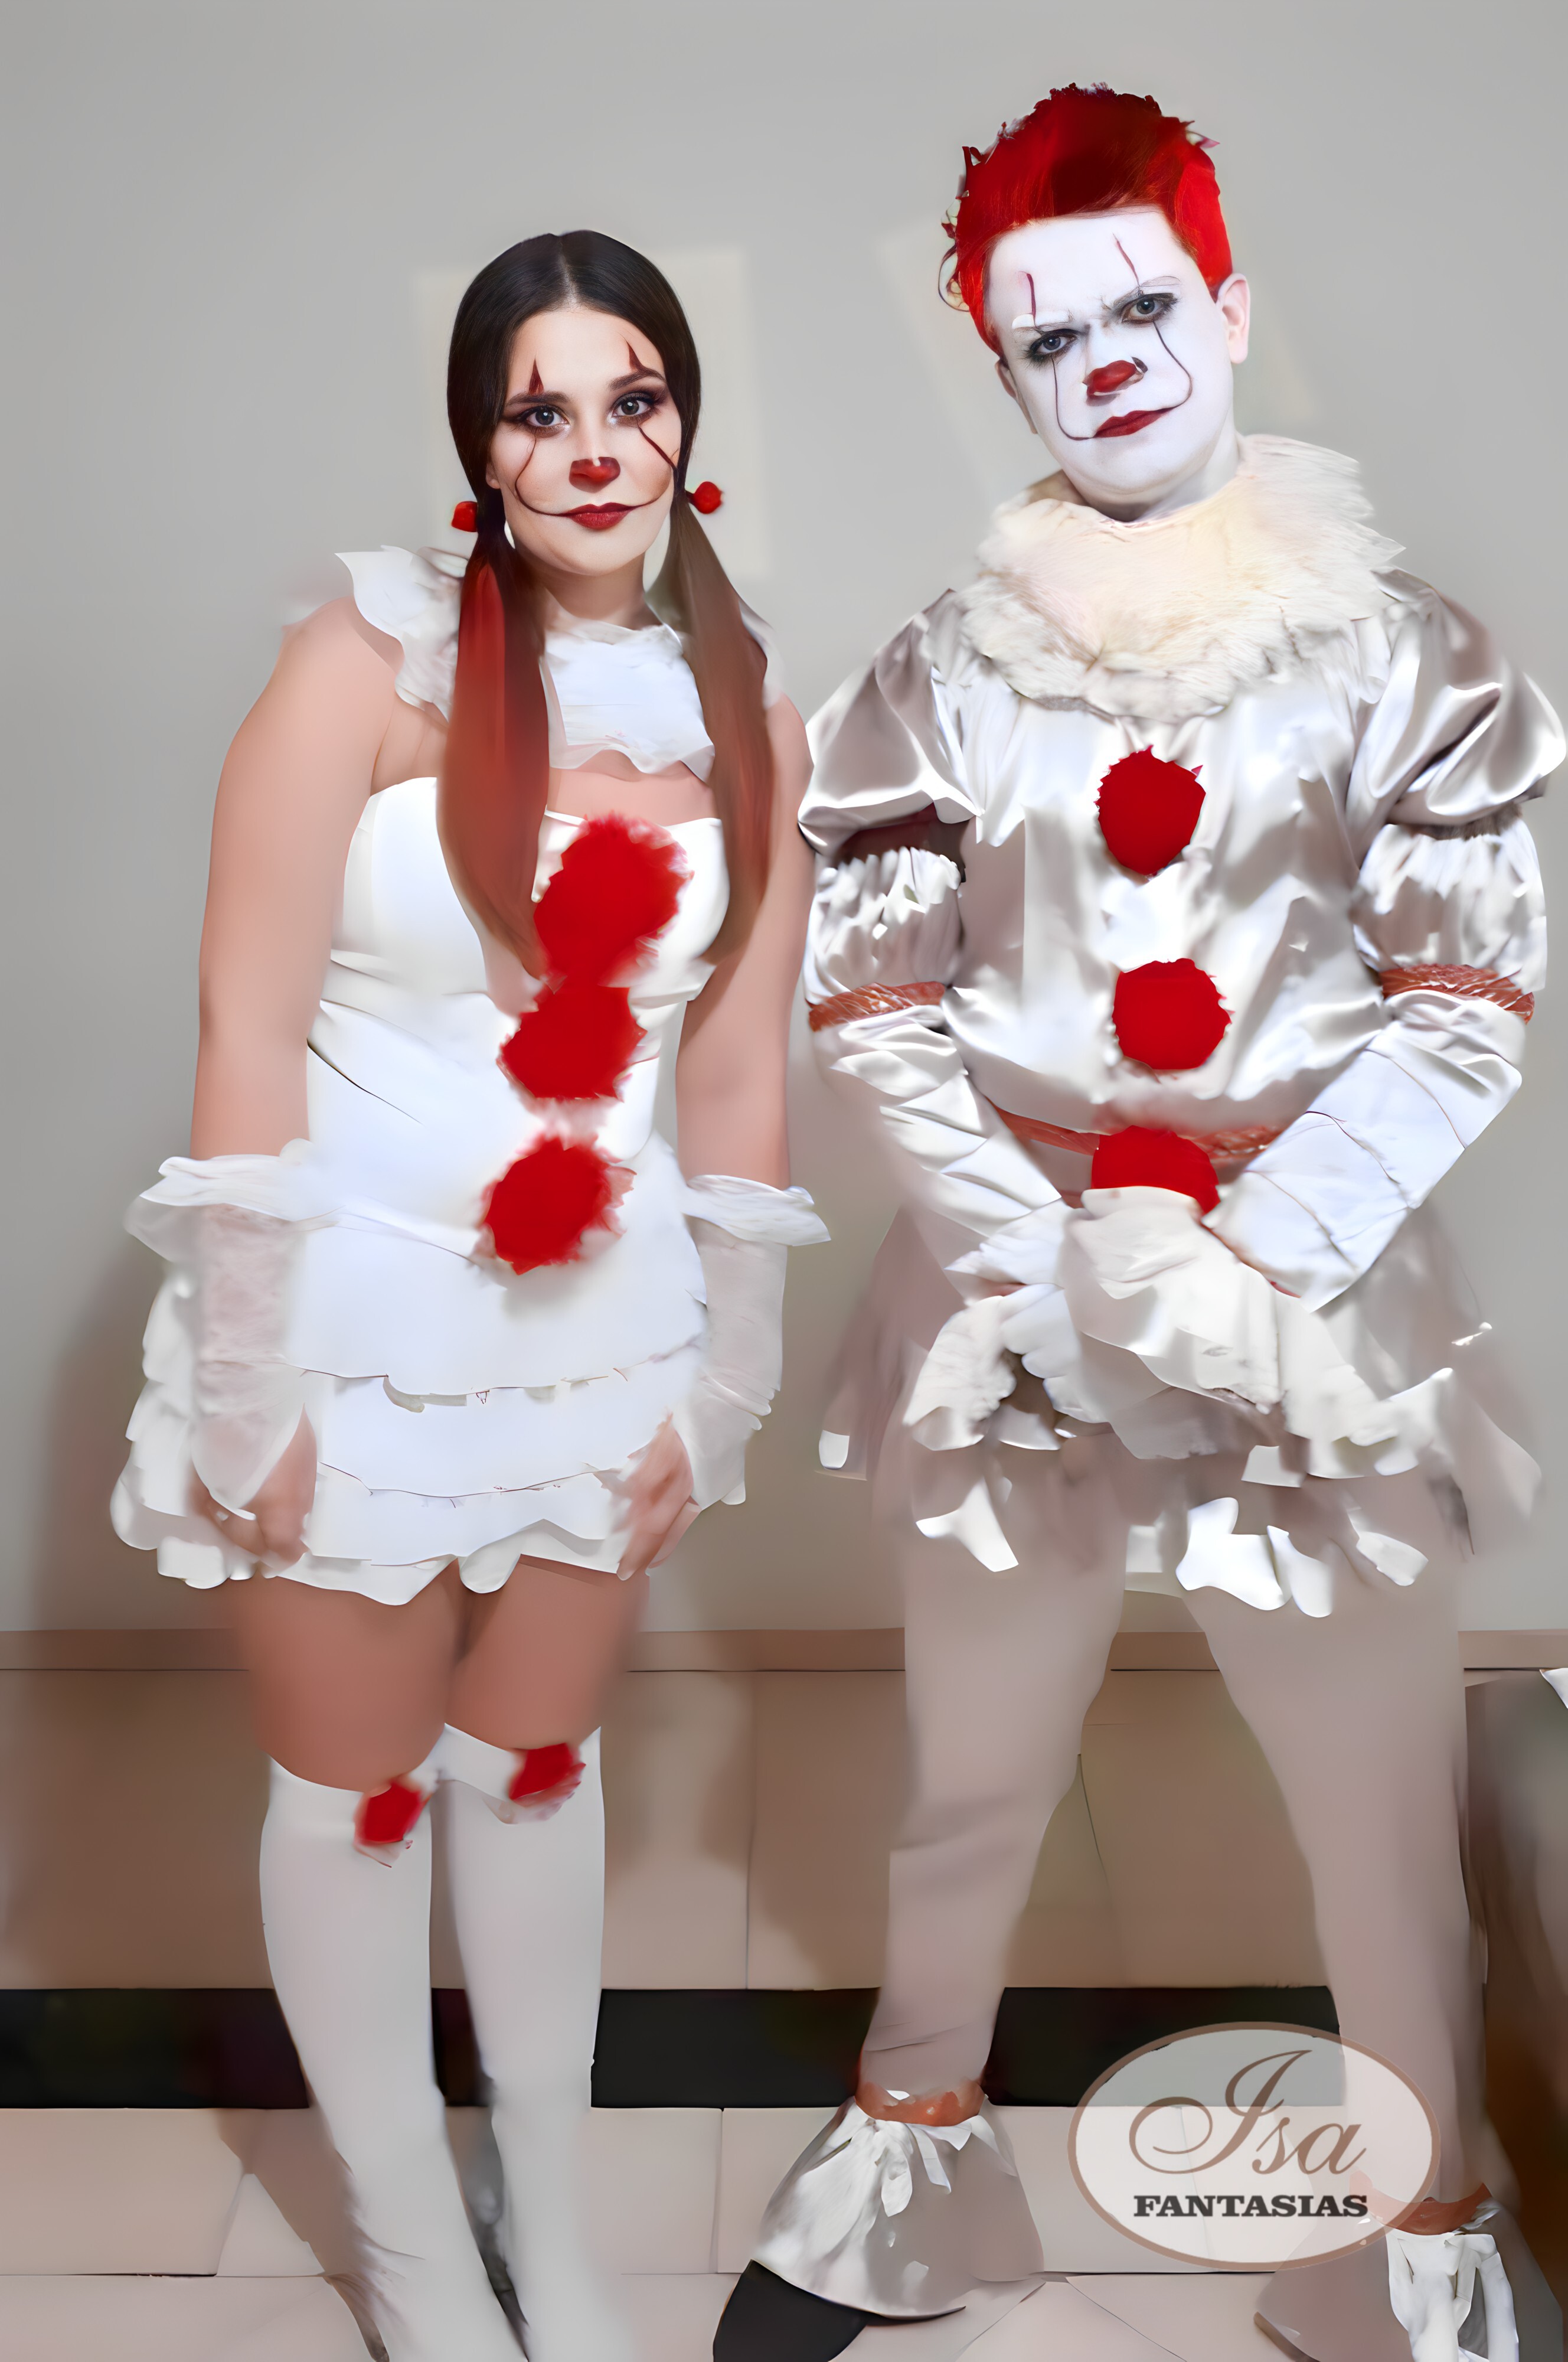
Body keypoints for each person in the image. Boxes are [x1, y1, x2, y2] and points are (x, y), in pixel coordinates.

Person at [717, 87, 1561, 2362]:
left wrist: (1246, 1267)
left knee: (1377, 1821)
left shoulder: (1414, 652)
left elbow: (1468, 1006)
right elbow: (878, 1005)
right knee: (973, 1779)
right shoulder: (936, 670)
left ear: (1228, 309)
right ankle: (910, 2171)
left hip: (1321, 1307)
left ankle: (1425, 2248)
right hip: (1007, 1304)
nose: (1106, 361)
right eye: (1049, 336)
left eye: (1142, 308)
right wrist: (1047, 1280)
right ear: (1007, 375)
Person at [113, 230, 822, 2362]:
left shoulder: (751, 707)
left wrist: (731, 1375)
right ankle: (408, 2234)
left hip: (601, 1332)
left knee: (530, 1773)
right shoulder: (363, 661)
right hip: (347, 1323)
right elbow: (244, 1024)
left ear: (684, 425)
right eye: (541, 408)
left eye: (633, 398)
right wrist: (246, 1374)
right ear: (480, 449)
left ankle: (549, 2205)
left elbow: (735, 1068)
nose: (593, 446)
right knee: (359, 1797)